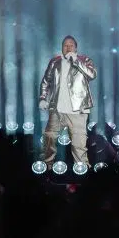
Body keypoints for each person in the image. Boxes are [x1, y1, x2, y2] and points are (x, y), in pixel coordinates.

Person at [38, 35, 97, 166]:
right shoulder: (55, 61)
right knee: (49, 138)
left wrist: (76, 61)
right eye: (65, 45)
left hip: (77, 111)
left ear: (76, 48)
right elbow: (45, 82)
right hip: (57, 109)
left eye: (71, 45)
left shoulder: (84, 60)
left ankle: (82, 170)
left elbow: (92, 74)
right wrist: (42, 98)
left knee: (78, 144)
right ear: (62, 48)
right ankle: (47, 167)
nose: (68, 47)